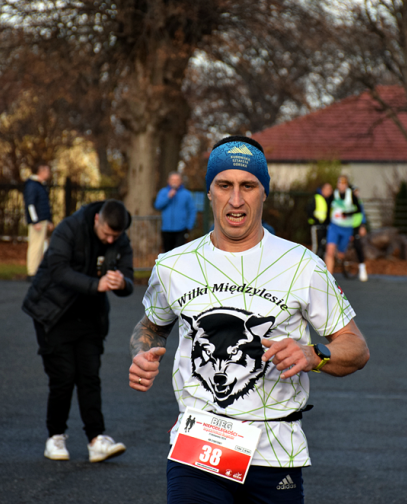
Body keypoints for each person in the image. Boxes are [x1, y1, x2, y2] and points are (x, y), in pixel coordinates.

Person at [128, 136, 370, 504]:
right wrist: (142, 353)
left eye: (248, 186)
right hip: (199, 446)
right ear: (209, 192)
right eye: (225, 185)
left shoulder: (301, 265)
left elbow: (356, 348)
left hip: (274, 451)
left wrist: (313, 355)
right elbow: (152, 326)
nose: (236, 199)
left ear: (264, 193)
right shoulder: (173, 265)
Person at [22, 199, 133, 462]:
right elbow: (58, 271)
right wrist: (97, 285)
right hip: (54, 313)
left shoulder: (120, 239)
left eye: (114, 236)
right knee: (63, 377)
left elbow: (128, 277)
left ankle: (96, 440)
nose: (109, 241)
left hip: (90, 317)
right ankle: (55, 437)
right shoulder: (69, 228)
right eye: (106, 233)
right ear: (97, 220)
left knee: (89, 377)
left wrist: (121, 282)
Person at [325, 175, 368, 281]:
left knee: (340, 254)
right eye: (340, 183)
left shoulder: (352, 196)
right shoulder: (333, 195)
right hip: (334, 226)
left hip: (347, 228)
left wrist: (347, 214)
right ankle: (328, 279)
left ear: (347, 185)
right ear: (337, 184)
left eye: (344, 183)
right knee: (329, 250)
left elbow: (359, 210)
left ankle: (340, 256)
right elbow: (327, 209)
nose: (342, 185)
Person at [24, 163, 54, 279]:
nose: (48, 173)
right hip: (37, 222)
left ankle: (38, 270)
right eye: (47, 171)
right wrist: (35, 221)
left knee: (42, 246)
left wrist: (49, 220)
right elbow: (30, 205)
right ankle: (32, 272)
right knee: (35, 246)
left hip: (42, 220)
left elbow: (45, 205)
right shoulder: (32, 185)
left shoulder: (40, 185)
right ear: (41, 171)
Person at [154, 171, 196, 253]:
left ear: (181, 181)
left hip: (181, 229)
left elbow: (192, 210)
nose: (174, 182)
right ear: (168, 181)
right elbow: (158, 205)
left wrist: (189, 226)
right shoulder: (163, 192)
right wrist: (168, 197)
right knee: (167, 253)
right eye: (172, 180)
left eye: (177, 180)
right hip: (166, 229)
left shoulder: (186, 194)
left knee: (179, 253)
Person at [306, 181, 333, 258]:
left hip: (326, 227)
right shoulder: (316, 198)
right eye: (328, 189)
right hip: (317, 227)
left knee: (324, 247)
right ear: (323, 189)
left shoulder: (329, 199)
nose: (330, 191)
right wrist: (316, 220)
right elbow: (309, 210)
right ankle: (313, 265)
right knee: (316, 247)